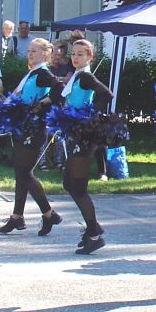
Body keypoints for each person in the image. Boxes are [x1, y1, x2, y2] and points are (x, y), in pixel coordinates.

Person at [0, 38, 65, 236]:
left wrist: (43, 103)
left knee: (24, 172)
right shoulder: (33, 73)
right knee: (20, 172)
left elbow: (59, 89)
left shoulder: (43, 73)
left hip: (34, 129)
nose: (30, 54)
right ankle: (17, 216)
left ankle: (49, 213)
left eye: (34, 51)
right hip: (23, 126)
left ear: (45, 54)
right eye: (29, 51)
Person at [60, 39, 115, 255]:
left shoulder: (85, 76)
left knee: (77, 187)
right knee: (69, 183)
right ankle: (94, 228)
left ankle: (94, 235)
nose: (75, 58)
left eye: (81, 54)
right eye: (73, 54)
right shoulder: (77, 75)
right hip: (76, 135)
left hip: (85, 137)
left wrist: (88, 115)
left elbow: (106, 94)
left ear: (90, 57)